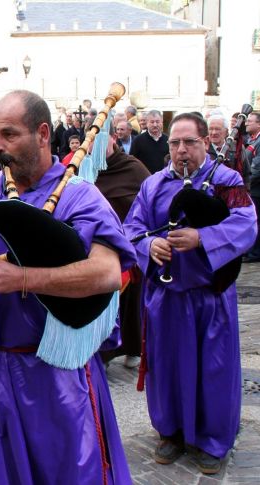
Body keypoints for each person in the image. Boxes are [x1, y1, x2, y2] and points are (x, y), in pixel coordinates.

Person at [0, 90, 135, 484]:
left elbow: (107, 273)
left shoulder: (79, 196)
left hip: (58, 376)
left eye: (9, 134)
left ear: (43, 133)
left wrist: (24, 279)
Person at [123, 112, 257, 475]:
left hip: (209, 297)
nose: (181, 151)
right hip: (166, 297)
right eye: (175, 143)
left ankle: (213, 440)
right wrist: (149, 245)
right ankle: (172, 431)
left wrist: (203, 238)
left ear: (205, 143)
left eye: (189, 143)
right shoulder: (153, 185)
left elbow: (246, 224)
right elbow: (132, 227)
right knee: (167, 367)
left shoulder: (226, 181)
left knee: (212, 369)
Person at [94, 122, 151, 369]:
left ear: (113, 139)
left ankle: (132, 349)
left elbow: (149, 201)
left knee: (131, 304)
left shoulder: (133, 167)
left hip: (129, 246)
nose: (96, 147)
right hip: (97, 247)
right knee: (101, 300)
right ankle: (103, 352)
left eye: (101, 141)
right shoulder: (87, 170)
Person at [207, 114, 250, 186]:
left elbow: (246, 174)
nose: (213, 133)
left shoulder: (237, 148)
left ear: (226, 132)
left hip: (233, 192)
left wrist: (245, 193)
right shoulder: (202, 149)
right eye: (211, 129)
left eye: (217, 129)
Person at [130, 110, 169, 174]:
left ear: (162, 122)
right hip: (145, 178)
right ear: (147, 123)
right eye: (152, 122)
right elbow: (132, 161)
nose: (155, 125)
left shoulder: (168, 140)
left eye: (157, 121)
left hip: (164, 178)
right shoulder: (138, 140)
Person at [244, 112, 260, 262]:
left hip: (256, 189)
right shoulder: (252, 140)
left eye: (249, 121)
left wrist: (246, 183)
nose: (246, 123)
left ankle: (255, 252)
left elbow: (257, 168)